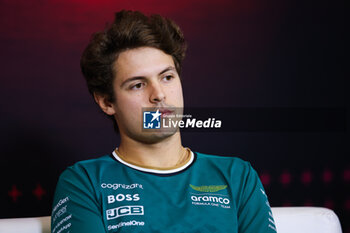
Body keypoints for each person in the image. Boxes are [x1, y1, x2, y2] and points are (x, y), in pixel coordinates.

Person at [51, 10, 277, 233]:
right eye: (138, 85)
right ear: (107, 102)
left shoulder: (238, 176)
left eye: (167, 77)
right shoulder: (83, 183)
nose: (158, 94)